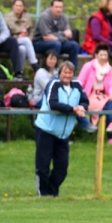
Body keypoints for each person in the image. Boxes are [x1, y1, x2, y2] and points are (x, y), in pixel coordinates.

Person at [34, 61, 89, 197]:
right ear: (60, 73)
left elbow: (85, 101)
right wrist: (72, 109)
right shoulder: (53, 84)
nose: (67, 75)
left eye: (70, 72)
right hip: (46, 130)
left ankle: (53, 192)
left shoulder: (77, 85)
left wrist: (82, 107)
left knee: (61, 168)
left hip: (64, 134)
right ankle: (44, 193)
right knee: (43, 165)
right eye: (65, 72)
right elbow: (52, 104)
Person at [77, 43, 112, 144]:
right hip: (89, 96)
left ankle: (111, 131)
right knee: (108, 107)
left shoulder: (109, 69)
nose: (103, 57)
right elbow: (80, 82)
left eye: (105, 55)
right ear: (96, 55)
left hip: (103, 95)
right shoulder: (88, 66)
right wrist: (81, 96)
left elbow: (111, 84)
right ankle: (111, 134)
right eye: (101, 55)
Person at [32, 0, 80, 70]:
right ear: (51, 7)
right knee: (56, 44)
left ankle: (70, 71)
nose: (59, 9)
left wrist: (57, 37)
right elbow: (46, 37)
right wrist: (63, 34)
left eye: (60, 7)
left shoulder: (64, 17)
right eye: (56, 7)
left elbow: (69, 35)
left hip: (59, 42)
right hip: (39, 43)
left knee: (74, 45)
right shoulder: (45, 17)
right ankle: (53, 70)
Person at [3, 0, 40, 73]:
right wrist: (18, 34)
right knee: (26, 41)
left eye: (20, 6)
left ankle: (20, 71)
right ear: (13, 6)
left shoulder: (27, 17)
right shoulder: (7, 18)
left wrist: (29, 38)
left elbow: (32, 30)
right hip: (12, 40)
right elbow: (6, 32)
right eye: (16, 5)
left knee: (22, 49)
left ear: (23, 7)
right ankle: (34, 63)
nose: (18, 8)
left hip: (25, 40)